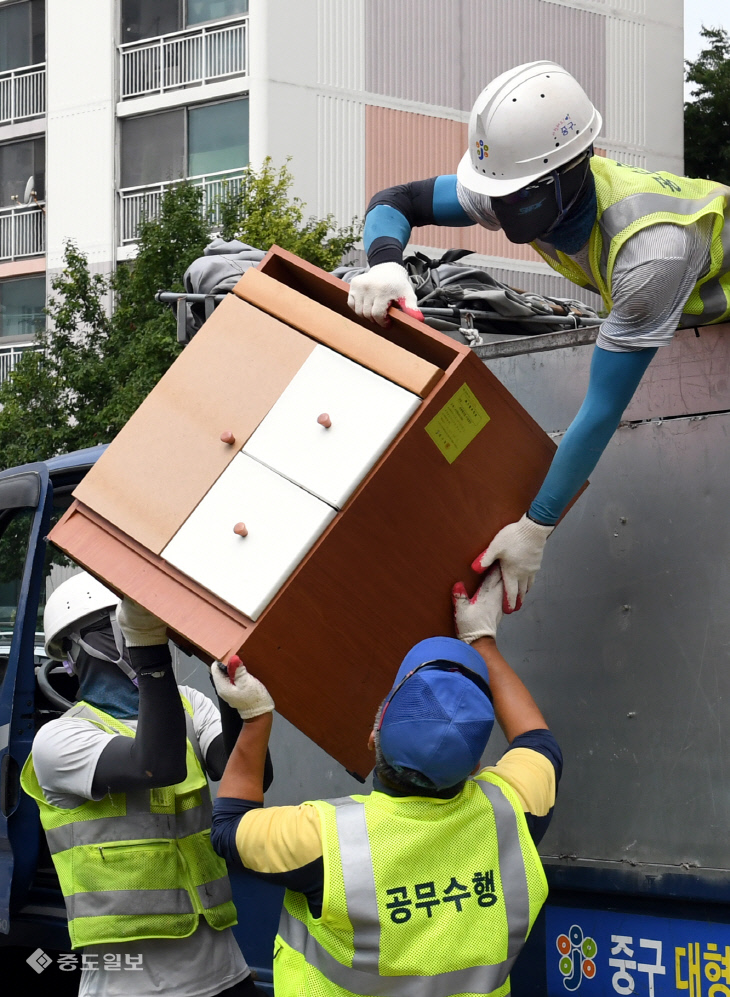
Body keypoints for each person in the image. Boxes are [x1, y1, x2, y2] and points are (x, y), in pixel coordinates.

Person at [347, 59, 730, 611]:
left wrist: (536, 527)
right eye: (495, 195)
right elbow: (398, 200)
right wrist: (384, 262)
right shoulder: (517, 190)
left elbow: (601, 409)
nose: (496, 212)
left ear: (571, 173)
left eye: (515, 199)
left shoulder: (650, 252)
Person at [209, 566, 562, 997]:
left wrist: (254, 719)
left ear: (374, 735)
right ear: (475, 768)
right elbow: (537, 741)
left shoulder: (324, 840)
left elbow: (228, 827)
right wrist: (480, 641)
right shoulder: (515, 810)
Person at [20, 571, 271, 997]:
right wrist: (151, 657)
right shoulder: (59, 740)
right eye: (108, 627)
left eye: (128, 623)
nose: (123, 636)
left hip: (225, 973)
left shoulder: (190, 705)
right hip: (132, 987)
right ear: (70, 651)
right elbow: (156, 765)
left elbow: (248, 776)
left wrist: (241, 707)